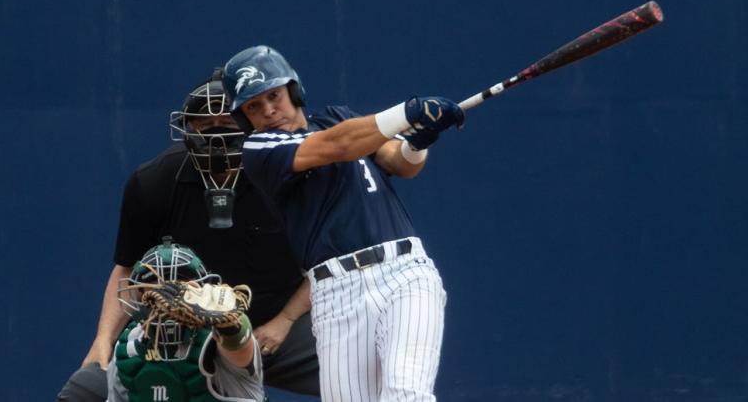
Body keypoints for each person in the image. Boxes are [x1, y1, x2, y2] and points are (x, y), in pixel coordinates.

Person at [57, 72, 321, 401]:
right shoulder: (155, 181)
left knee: (363, 372)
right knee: (86, 390)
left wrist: (285, 320)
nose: (216, 137)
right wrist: (103, 340)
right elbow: (126, 270)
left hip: (282, 324)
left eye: (227, 123)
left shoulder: (286, 175)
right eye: (205, 126)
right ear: (187, 129)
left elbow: (325, 264)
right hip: (184, 329)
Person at [221, 46, 464, 402]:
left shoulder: (339, 117)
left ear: (294, 90)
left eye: (274, 95)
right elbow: (338, 145)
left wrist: (418, 141)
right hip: (335, 295)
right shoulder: (260, 149)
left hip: (403, 274)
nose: (268, 110)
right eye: (253, 106)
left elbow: (402, 164)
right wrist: (408, 112)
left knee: (405, 395)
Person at [108, 239, 264, 401]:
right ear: (141, 293)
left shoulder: (217, 338)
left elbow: (240, 350)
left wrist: (228, 325)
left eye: (177, 285)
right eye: (155, 284)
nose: (166, 294)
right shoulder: (128, 346)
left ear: (200, 290)